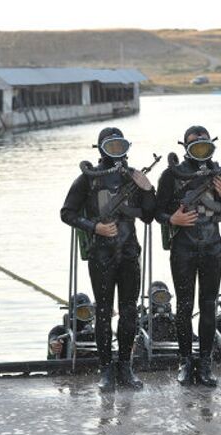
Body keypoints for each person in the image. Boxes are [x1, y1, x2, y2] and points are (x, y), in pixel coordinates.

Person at [60, 127, 156, 391]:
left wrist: (147, 189)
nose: (116, 152)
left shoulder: (133, 177)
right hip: (101, 254)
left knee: (128, 311)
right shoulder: (88, 179)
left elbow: (148, 215)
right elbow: (66, 213)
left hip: (128, 254)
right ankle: (106, 370)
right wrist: (94, 228)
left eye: (120, 146)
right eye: (111, 146)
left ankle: (125, 366)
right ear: (101, 148)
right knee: (103, 312)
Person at [155, 125, 221, 386]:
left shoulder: (220, 173)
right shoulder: (170, 175)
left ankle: (205, 363)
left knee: (209, 304)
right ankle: (185, 361)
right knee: (184, 305)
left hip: (212, 245)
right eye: (195, 143)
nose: (200, 146)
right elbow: (156, 212)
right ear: (185, 146)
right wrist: (173, 219)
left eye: (204, 142)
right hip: (184, 248)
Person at [48, 293, 96, 359]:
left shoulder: (94, 333)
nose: (85, 315)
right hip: (64, 366)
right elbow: (53, 338)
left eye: (87, 312)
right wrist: (54, 344)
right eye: (80, 312)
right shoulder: (59, 331)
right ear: (72, 313)